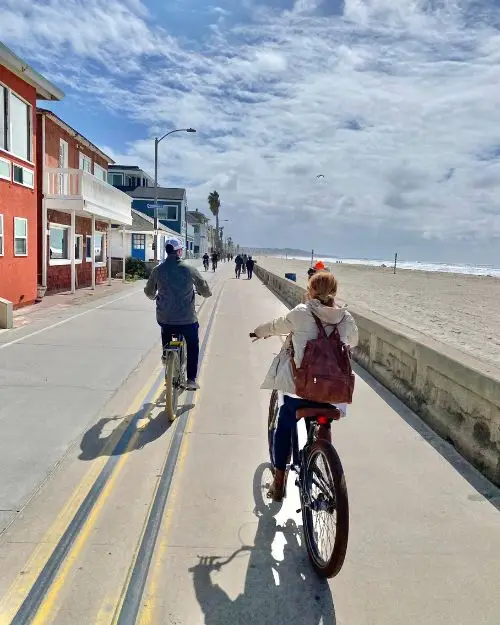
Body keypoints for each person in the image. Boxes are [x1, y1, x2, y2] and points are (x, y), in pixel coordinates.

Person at [251, 271, 358, 500]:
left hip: (301, 391)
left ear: (309, 291)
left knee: (284, 425)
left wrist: (259, 332)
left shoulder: (301, 312)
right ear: (335, 293)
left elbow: (276, 326)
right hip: (332, 392)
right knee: (323, 417)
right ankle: (323, 460)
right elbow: (354, 341)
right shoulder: (346, 317)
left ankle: (279, 484)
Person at [144, 237, 212, 391]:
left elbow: (149, 292)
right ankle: (191, 379)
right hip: (187, 319)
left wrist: (154, 296)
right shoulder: (189, 269)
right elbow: (205, 290)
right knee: (193, 345)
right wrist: (204, 293)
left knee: (165, 328)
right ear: (179, 251)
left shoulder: (158, 270)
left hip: (165, 318)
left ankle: (165, 355)